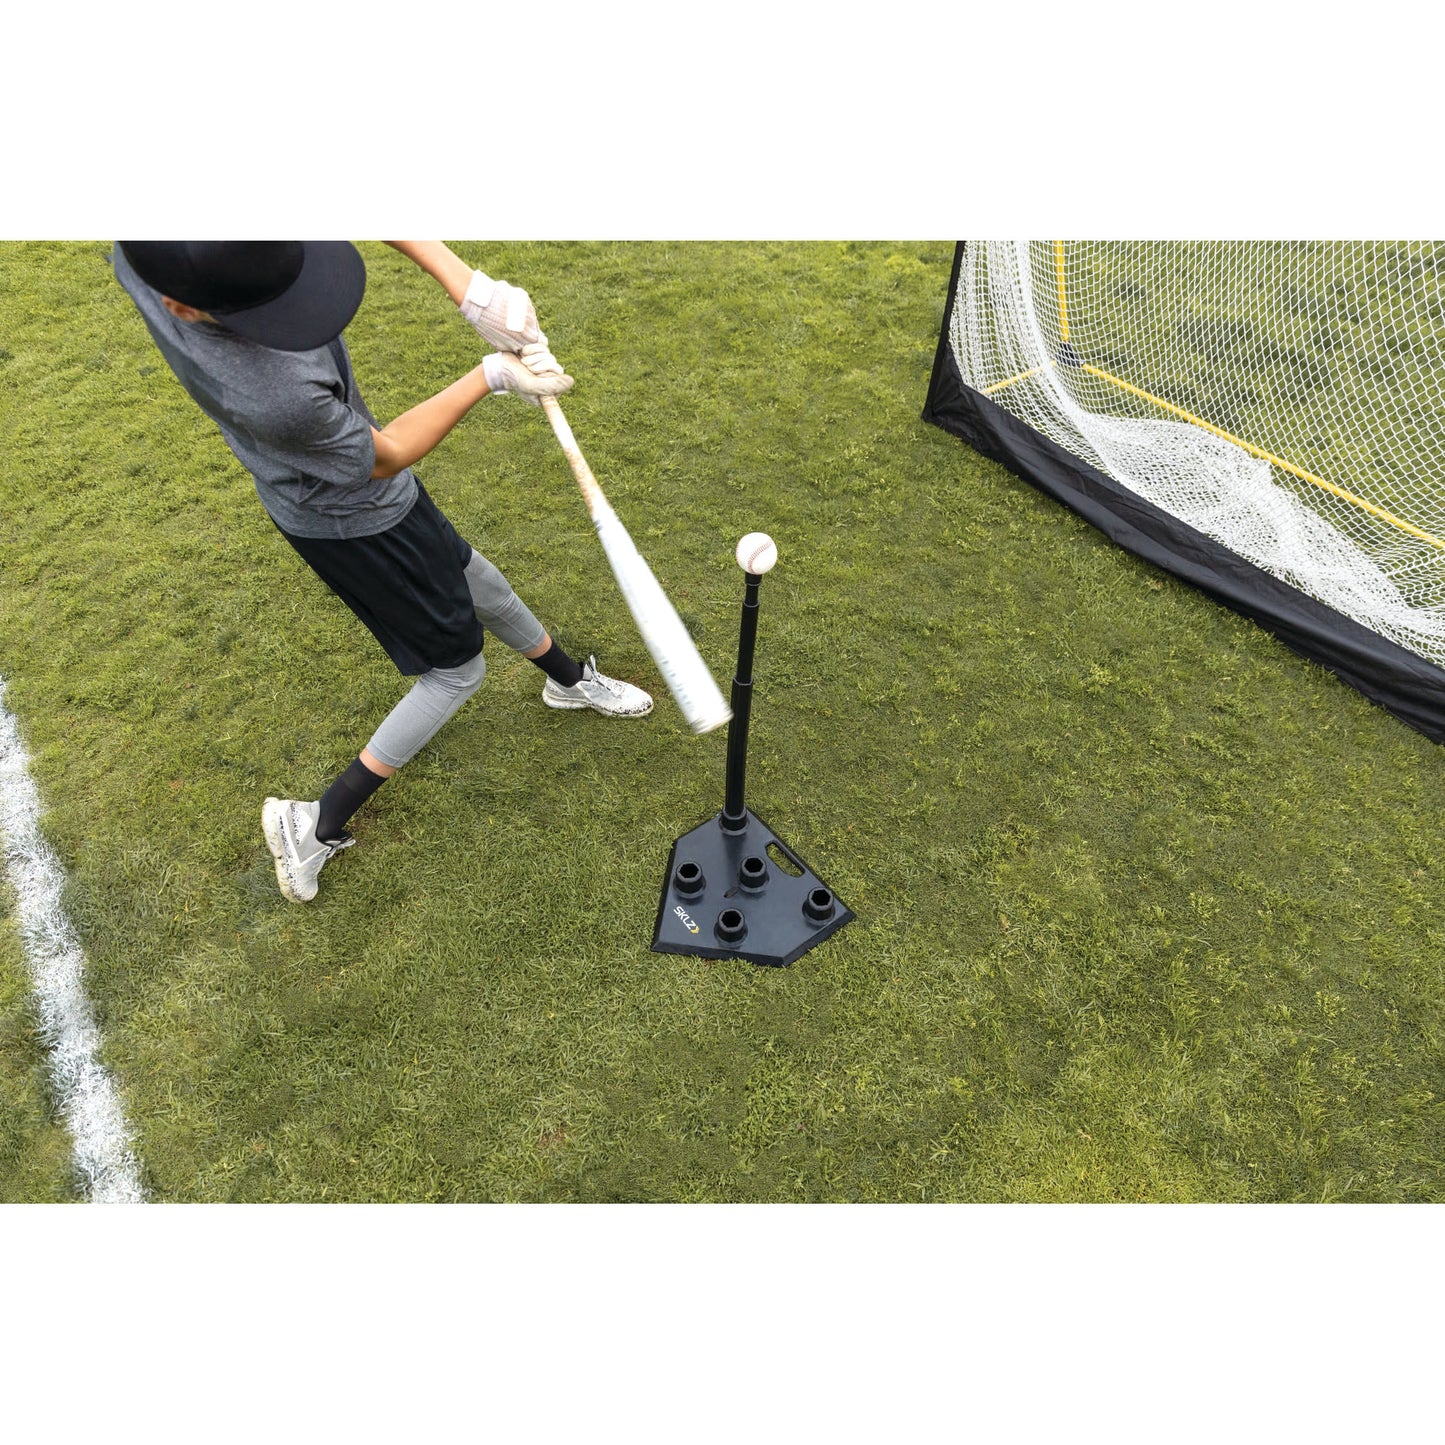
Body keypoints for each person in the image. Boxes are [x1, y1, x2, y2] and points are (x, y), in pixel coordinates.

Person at [113, 240, 652, 904]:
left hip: (361, 498)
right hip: (352, 517)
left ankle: (567, 681)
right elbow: (386, 453)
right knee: (457, 671)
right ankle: (311, 823)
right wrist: (489, 375)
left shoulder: (145, 250)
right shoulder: (276, 394)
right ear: (183, 307)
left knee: (471, 574)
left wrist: (470, 287)